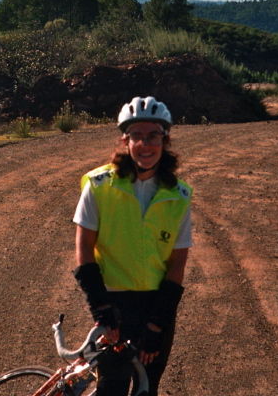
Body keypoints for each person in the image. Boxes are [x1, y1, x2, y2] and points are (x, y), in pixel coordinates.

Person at [72, 96, 193, 395]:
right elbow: (84, 247)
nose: (145, 144)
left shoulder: (178, 195)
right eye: (137, 136)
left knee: (146, 388)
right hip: (114, 304)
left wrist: (158, 323)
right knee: (111, 387)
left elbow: (178, 262)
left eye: (153, 136)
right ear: (125, 141)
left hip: (156, 304)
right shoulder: (99, 186)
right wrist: (100, 307)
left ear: (165, 140)